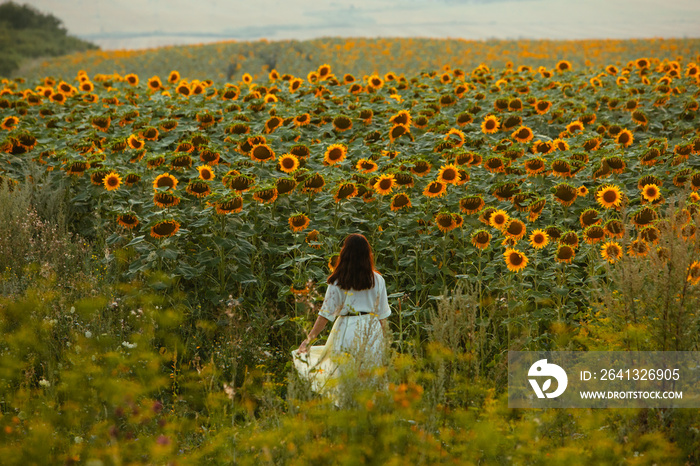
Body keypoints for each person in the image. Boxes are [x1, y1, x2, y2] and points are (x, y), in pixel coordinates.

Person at [291, 233, 391, 406]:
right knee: (370, 378)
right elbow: (383, 316)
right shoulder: (378, 280)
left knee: (346, 378)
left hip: (347, 328)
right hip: (372, 329)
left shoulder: (337, 281)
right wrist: (386, 343)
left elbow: (325, 315)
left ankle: (347, 417)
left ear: (344, 253)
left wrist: (308, 341)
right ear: (368, 254)